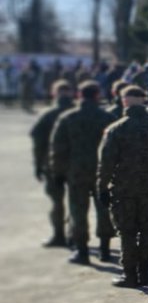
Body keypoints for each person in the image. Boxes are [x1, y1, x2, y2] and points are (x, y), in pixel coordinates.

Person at [96, 86, 148, 288]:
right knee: (147, 231)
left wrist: (102, 188)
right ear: (144, 100)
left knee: (127, 233)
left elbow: (106, 163)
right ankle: (144, 272)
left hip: (123, 190)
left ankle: (129, 275)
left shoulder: (116, 129)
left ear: (125, 101)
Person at [50, 80, 116, 265]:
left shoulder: (68, 118)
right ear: (97, 95)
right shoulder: (107, 118)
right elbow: (114, 148)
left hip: (76, 172)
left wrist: (57, 173)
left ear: (79, 95)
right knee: (104, 209)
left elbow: (58, 148)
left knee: (78, 211)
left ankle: (82, 251)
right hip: (101, 172)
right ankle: (105, 249)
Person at [30, 80, 75, 247]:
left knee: (57, 202)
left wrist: (37, 165)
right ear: (72, 93)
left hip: (52, 165)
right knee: (76, 203)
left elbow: (38, 142)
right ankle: (75, 236)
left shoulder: (47, 114)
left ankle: (58, 236)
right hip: (76, 166)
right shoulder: (77, 112)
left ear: (54, 93)